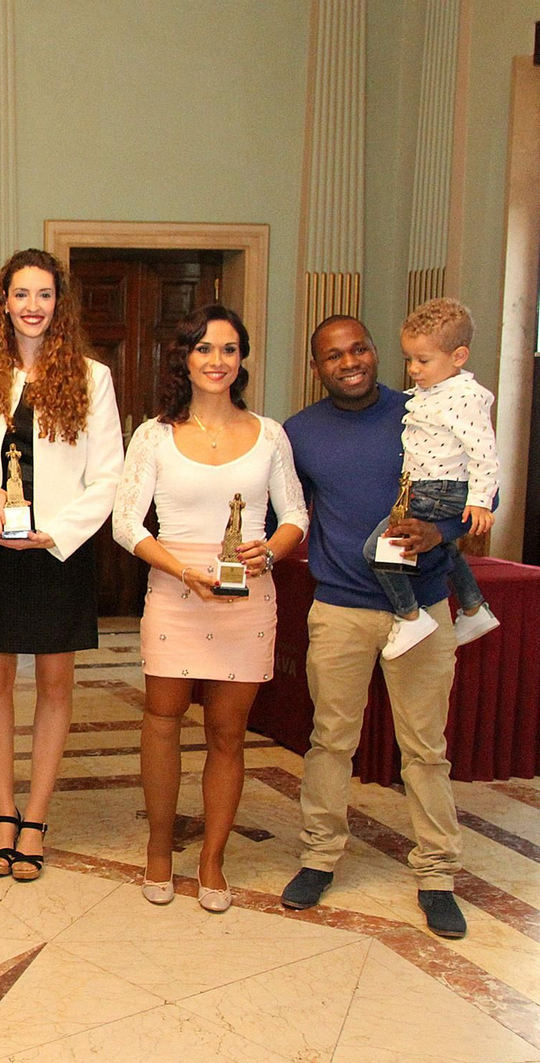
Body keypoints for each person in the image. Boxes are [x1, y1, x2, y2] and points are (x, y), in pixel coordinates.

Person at [280, 313, 474, 939]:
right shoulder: (300, 433)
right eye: (333, 355)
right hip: (339, 608)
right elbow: (284, 509)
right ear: (318, 368)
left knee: (426, 748)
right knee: (330, 739)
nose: (349, 361)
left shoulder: (425, 411)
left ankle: (438, 874)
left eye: (359, 348)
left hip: (421, 604)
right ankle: (318, 857)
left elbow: (477, 495)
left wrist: (441, 531)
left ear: (374, 351)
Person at [112, 304, 308, 912]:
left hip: (247, 595)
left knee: (228, 734)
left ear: (242, 358)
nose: (216, 361)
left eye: (227, 349)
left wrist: (270, 552)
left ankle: (213, 861)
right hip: (176, 591)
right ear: (185, 359)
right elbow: (124, 523)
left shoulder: (270, 433)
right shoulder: (154, 434)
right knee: (162, 722)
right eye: (203, 349)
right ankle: (158, 852)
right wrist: (178, 569)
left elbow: (296, 513)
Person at [0, 249, 123, 881]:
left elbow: (108, 476)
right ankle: (3, 812)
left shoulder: (91, 377)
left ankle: (36, 816)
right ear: (3, 301)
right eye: (21, 294)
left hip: (59, 551)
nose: (32, 306)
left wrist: (56, 534)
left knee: (55, 687)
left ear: (59, 303)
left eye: (44, 295)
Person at [365, 297, 500, 660]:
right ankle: (473, 608)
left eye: (423, 361)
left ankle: (409, 616)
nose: (412, 368)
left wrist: (480, 500)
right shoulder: (432, 393)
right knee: (443, 546)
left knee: (377, 550)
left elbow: (484, 453)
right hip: (428, 487)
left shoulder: (464, 398)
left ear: (458, 357)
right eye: (409, 359)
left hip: (436, 491)